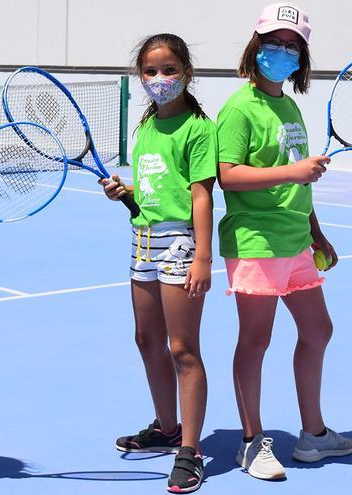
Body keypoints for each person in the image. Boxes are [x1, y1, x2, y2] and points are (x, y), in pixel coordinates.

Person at [216, 2, 352, 481]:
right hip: (256, 241)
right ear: (256, 46)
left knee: (318, 331)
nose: (281, 50)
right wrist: (294, 171)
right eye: (273, 43)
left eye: (291, 45)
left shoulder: (289, 104)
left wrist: (316, 231)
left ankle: (313, 436)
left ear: (302, 57)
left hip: (296, 240)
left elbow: (299, 178)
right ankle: (251, 443)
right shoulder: (239, 108)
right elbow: (228, 176)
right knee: (255, 342)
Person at [102, 33, 216, 493]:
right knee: (146, 338)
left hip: (181, 243)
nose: (159, 79)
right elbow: (152, 193)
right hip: (142, 241)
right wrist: (125, 195)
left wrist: (203, 257)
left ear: (186, 73)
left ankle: (190, 450)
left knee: (182, 348)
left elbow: (201, 195)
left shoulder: (198, 129)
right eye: (150, 71)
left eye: (169, 70)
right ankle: (166, 428)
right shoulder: (145, 129)